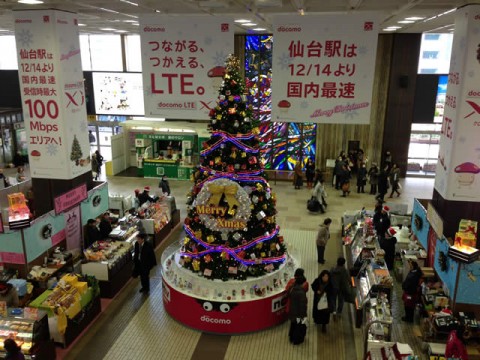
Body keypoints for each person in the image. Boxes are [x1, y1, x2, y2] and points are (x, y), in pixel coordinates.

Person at [288, 274, 308, 345]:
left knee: (293, 325)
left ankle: (291, 337)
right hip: (299, 313)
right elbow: (302, 306)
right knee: (299, 326)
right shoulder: (301, 293)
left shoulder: (292, 288)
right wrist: (304, 316)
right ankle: (297, 340)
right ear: (302, 283)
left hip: (292, 310)